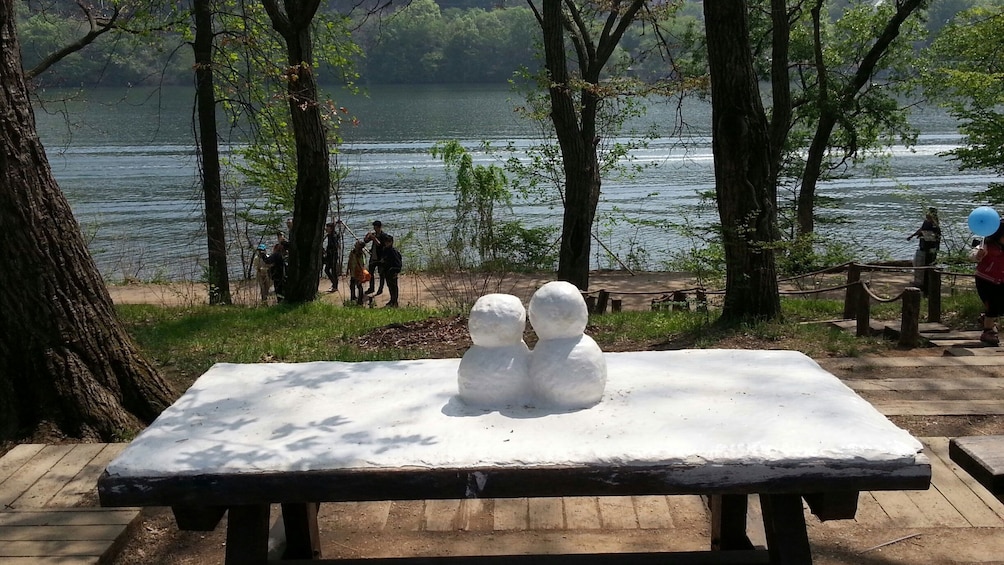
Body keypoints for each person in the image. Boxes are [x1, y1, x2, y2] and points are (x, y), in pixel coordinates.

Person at [973, 219, 1004, 346]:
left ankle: (986, 320)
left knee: (1001, 306)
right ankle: (988, 331)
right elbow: (973, 255)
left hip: (1001, 280)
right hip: (985, 279)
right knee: (992, 305)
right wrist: (978, 255)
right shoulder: (987, 246)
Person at [907, 207, 941, 289]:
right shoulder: (926, 222)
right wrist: (912, 235)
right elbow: (921, 229)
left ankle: (922, 283)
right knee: (917, 263)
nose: (926, 214)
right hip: (923, 246)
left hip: (929, 248)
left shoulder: (935, 225)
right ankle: (920, 281)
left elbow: (934, 237)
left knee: (924, 265)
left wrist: (925, 236)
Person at [364, 221, 390, 296]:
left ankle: (380, 289)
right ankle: (371, 288)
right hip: (373, 257)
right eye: (374, 228)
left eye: (376, 228)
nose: (375, 229)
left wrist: (374, 238)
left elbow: (380, 245)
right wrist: (367, 236)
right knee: (370, 273)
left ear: (379, 227)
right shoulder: (374, 235)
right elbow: (365, 241)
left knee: (381, 274)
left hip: (380, 257)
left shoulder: (384, 236)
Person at [382, 235, 403, 307]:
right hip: (387, 271)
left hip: (393, 272)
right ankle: (392, 300)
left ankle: (395, 301)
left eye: (388, 242)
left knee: (394, 287)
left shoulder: (393, 251)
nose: (386, 243)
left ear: (391, 242)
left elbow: (398, 263)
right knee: (389, 286)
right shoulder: (385, 250)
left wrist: (396, 271)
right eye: (385, 242)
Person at [347, 239, 368, 306]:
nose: (355, 244)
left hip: (358, 272)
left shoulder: (361, 254)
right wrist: (348, 269)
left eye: (357, 243)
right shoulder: (352, 252)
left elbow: (363, 264)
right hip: (353, 271)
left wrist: (362, 272)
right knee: (352, 285)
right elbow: (349, 260)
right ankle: (352, 297)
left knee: (359, 285)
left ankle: (360, 300)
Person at [322, 222, 340, 293]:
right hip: (329, 255)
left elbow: (335, 246)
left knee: (333, 271)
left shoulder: (333, 236)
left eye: (327, 227)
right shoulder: (329, 235)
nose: (326, 229)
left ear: (331, 228)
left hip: (333, 256)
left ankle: (335, 286)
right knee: (327, 270)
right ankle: (334, 284)